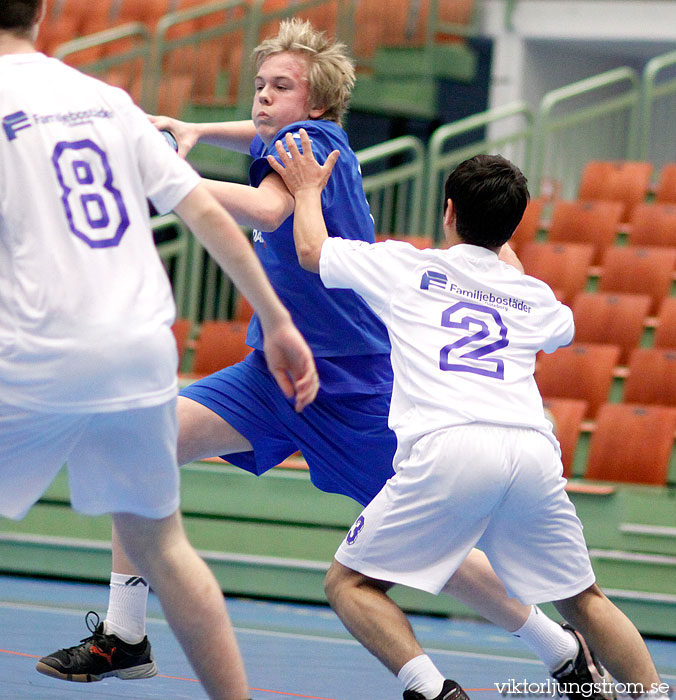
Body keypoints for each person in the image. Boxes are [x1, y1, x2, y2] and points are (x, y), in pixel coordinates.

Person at [39, 18, 613, 698]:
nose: (261, 98)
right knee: (139, 444)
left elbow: (266, 209)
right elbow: (262, 139)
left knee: (440, 553)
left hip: (349, 387)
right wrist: (201, 133)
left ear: (314, 105)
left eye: (280, 87)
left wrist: (165, 173)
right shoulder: (310, 139)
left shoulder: (303, 145)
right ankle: (125, 634)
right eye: (258, 84)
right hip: (271, 375)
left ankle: (561, 650)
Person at [267, 129, 671, 700]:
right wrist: (503, 258)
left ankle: (434, 692)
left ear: (448, 210)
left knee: (350, 584)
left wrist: (307, 189)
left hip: (450, 444)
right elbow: (561, 324)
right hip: (531, 450)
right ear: (512, 230)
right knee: (584, 598)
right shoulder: (531, 296)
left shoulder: (405, 267)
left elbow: (311, 250)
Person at [0, 3, 319, 698]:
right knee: (165, 549)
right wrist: (278, 321)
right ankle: (146, 646)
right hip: (140, 345)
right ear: (44, 12)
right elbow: (204, 212)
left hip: (39, 344)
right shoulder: (105, 100)